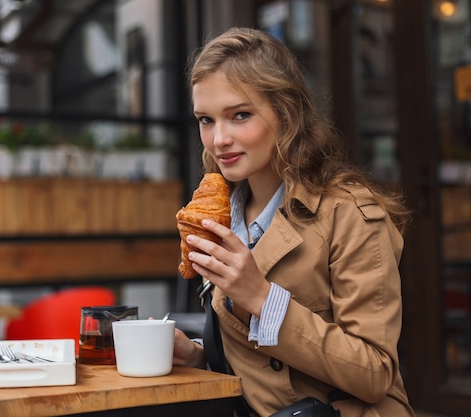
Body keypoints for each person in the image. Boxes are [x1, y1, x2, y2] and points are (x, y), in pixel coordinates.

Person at [173, 27, 416, 417]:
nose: (219, 139)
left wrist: (262, 298)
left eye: (240, 115)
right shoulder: (220, 213)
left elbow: (375, 372)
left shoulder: (350, 214)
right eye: (206, 120)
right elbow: (257, 367)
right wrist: (198, 356)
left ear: (286, 114)